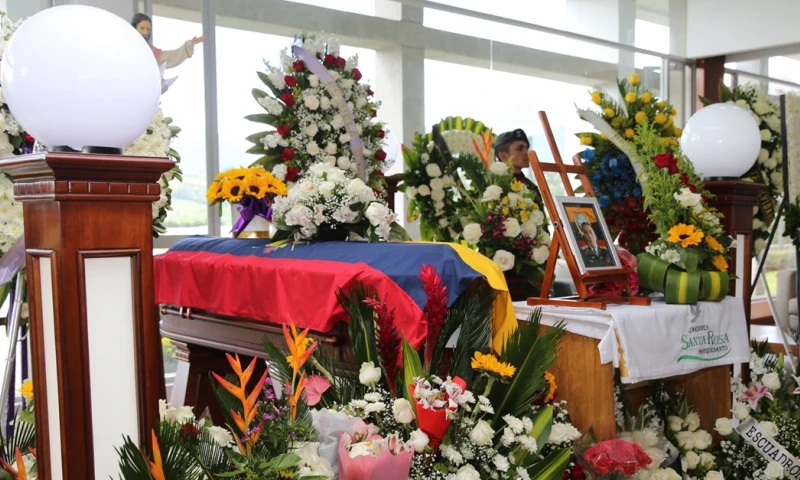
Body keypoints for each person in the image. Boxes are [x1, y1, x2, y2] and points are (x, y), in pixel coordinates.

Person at [493, 128, 543, 209]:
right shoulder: (495, 187)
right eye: (520, 148)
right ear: (503, 156)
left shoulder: (530, 186)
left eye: (527, 148)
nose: (527, 152)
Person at [131, 13, 203, 69]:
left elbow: (171, 57)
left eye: (148, 29)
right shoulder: (125, 47)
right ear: (134, 28)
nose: (145, 33)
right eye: (142, 28)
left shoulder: (151, 51)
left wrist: (191, 44)